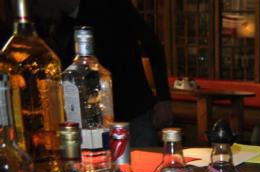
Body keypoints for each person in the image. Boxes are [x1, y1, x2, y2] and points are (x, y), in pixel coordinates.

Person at [32, 0, 172, 147]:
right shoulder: (61, 25)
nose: (37, 11)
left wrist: (163, 99)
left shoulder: (112, 5)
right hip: (92, 119)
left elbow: (152, 45)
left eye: (37, 4)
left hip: (133, 110)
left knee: (144, 157)